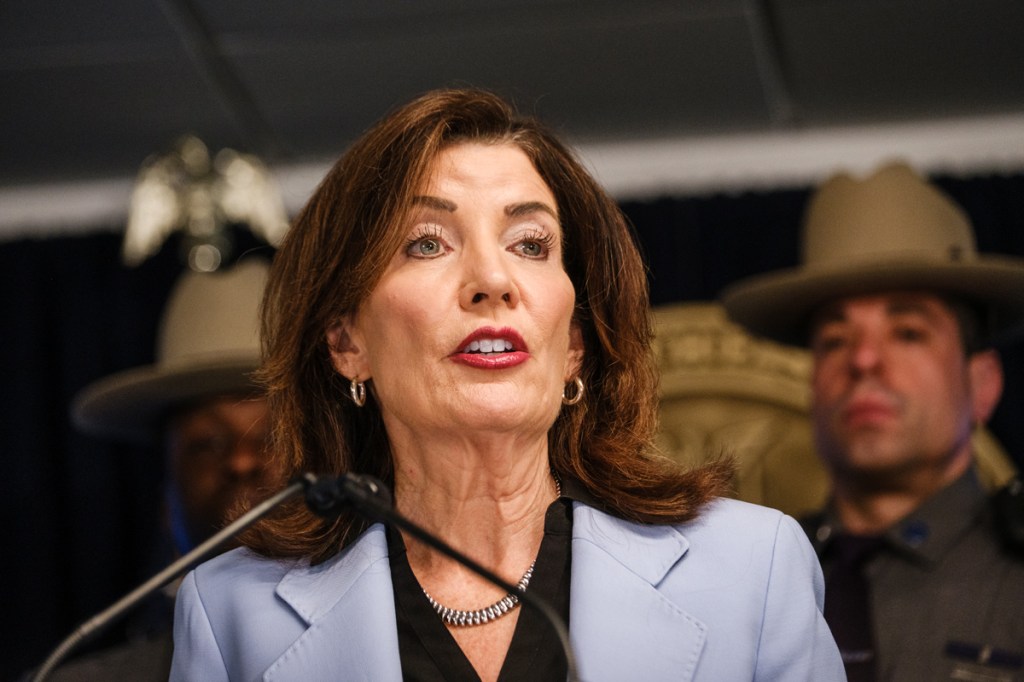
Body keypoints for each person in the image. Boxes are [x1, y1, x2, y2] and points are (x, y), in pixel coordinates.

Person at [170, 88, 844, 681]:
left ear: (574, 343)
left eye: (530, 243)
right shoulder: (234, 612)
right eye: (428, 242)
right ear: (347, 343)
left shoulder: (752, 571)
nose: (492, 280)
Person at [722, 161, 1024, 681]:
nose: (862, 360)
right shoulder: (746, 587)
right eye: (835, 341)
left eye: (907, 333)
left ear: (982, 384)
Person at [46, 258, 276, 680]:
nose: (242, 461)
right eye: (208, 443)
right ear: (166, 506)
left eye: (272, 437)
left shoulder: (401, 654)